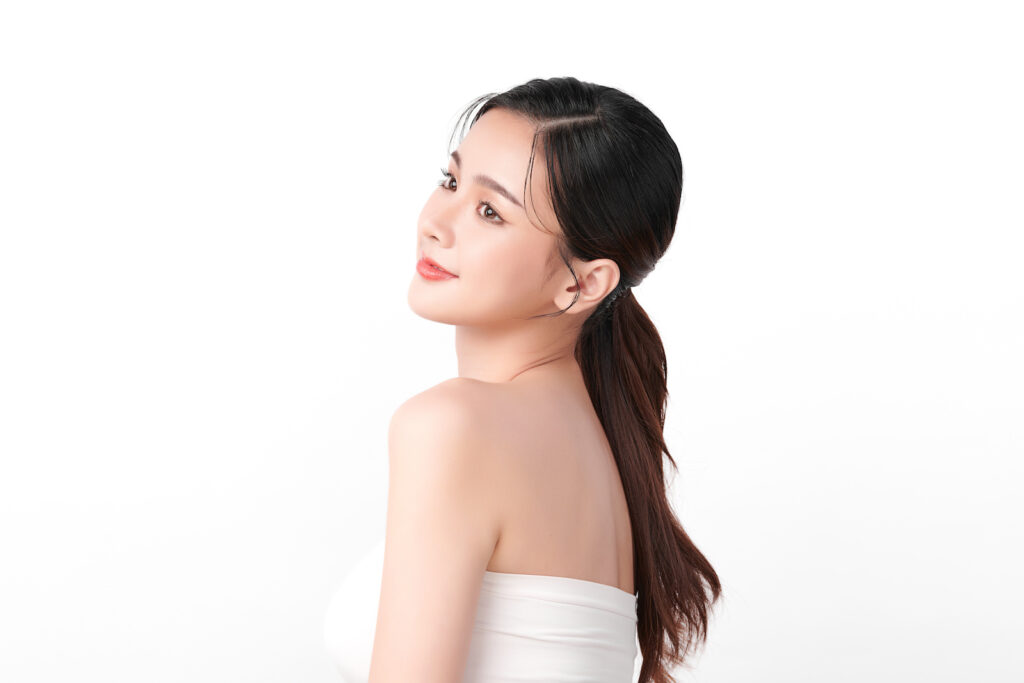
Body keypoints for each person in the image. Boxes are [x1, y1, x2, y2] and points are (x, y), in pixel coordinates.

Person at [324, 76, 721, 683]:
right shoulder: (597, 442)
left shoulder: (454, 426)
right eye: (450, 181)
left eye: (490, 211)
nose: (436, 223)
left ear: (582, 283)